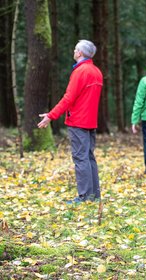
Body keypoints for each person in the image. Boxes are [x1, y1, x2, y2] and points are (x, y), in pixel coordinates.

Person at [38, 40, 103, 203]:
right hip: (90, 121)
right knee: (89, 157)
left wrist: (51, 116)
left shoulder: (80, 72)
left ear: (80, 53)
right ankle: (94, 195)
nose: (74, 51)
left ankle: (85, 197)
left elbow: (68, 98)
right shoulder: (96, 71)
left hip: (78, 121)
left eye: (75, 49)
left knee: (81, 158)